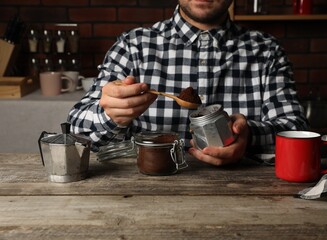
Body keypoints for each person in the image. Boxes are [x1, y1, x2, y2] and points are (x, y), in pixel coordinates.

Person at [68, 0, 308, 166]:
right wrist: (110, 115)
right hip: (145, 195)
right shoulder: (134, 46)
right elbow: (77, 130)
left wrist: (249, 136)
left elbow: (297, 131)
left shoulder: (267, 51)